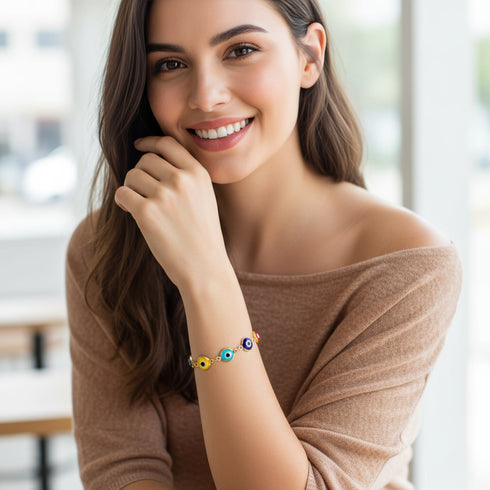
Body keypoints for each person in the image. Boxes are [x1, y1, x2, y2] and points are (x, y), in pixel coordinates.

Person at [65, 0, 462, 489]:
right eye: (170, 64)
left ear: (309, 58)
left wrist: (206, 278)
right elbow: (122, 473)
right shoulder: (108, 248)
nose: (206, 96)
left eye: (241, 50)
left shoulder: (406, 265)